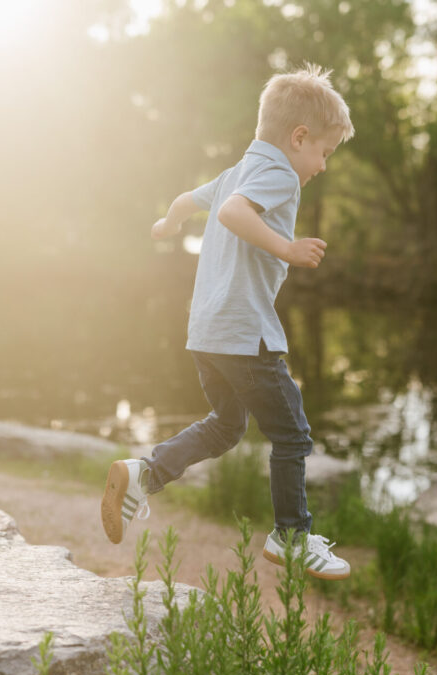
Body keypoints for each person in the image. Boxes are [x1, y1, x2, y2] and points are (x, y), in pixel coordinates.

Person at [100, 63, 354, 580]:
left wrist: (168, 223)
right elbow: (233, 213)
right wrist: (288, 247)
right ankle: (293, 536)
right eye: (323, 153)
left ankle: (144, 472)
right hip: (244, 334)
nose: (322, 166)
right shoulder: (279, 173)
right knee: (294, 435)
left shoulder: (236, 170)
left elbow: (186, 202)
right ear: (298, 136)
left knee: (226, 426)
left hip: (207, 335)